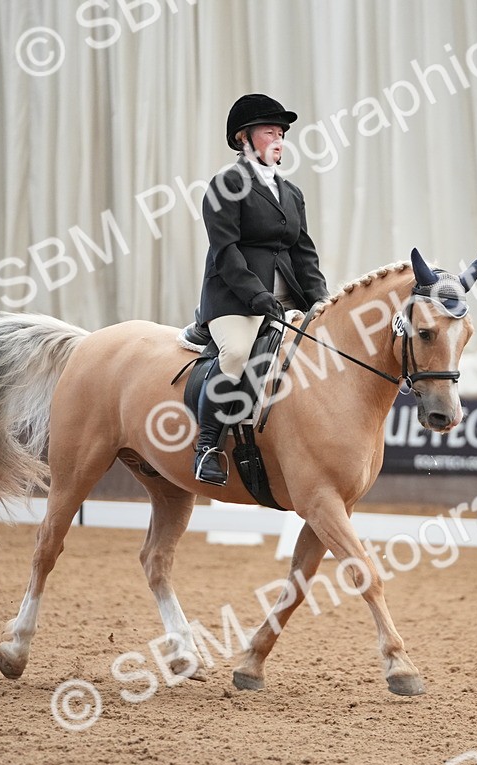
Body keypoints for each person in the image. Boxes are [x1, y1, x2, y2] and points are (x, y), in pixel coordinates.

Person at [192, 93, 329, 485]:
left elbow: (304, 253)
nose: (279, 139)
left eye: (281, 133)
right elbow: (226, 251)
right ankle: (207, 447)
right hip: (236, 299)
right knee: (236, 353)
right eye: (270, 132)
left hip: (286, 299)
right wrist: (257, 295)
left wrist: (322, 298)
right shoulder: (226, 184)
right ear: (244, 138)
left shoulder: (291, 193)